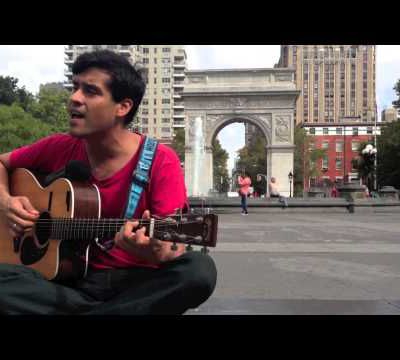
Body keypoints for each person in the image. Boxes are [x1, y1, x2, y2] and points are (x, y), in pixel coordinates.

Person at [0, 50, 217, 315]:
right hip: (66, 283)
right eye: (75, 87)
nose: (74, 98)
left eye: (90, 91)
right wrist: (6, 201)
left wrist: (150, 252)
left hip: (133, 285)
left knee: (198, 271)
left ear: (122, 107)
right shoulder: (60, 146)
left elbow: (172, 251)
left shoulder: (161, 160)